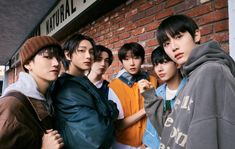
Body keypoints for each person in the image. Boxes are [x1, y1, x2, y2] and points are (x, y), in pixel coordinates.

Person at [140, 14, 235, 149]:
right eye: (166, 43)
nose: (173, 47)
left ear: (196, 35)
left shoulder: (211, 72)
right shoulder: (193, 75)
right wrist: (150, 96)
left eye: (178, 37)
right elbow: (175, 130)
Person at [50, 33, 119, 149]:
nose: (88, 56)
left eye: (91, 52)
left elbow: (113, 109)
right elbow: (100, 134)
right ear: (68, 54)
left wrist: (108, 110)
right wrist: (109, 112)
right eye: (82, 51)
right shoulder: (68, 88)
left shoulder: (82, 82)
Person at [0, 36, 64, 149]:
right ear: (28, 64)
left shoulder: (49, 98)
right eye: (47, 57)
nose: (56, 63)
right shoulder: (12, 104)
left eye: (58, 58)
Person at [108, 42, 157, 149]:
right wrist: (145, 110)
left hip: (150, 143)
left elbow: (157, 114)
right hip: (123, 144)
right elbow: (118, 125)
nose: (132, 63)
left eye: (136, 58)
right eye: (126, 59)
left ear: (142, 59)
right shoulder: (114, 86)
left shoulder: (153, 81)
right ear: (121, 62)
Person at [140, 46, 187, 149]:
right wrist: (146, 143)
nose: (159, 69)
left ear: (177, 63)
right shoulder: (157, 92)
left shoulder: (189, 90)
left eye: (164, 62)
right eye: (156, 64)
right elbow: (152, 123)